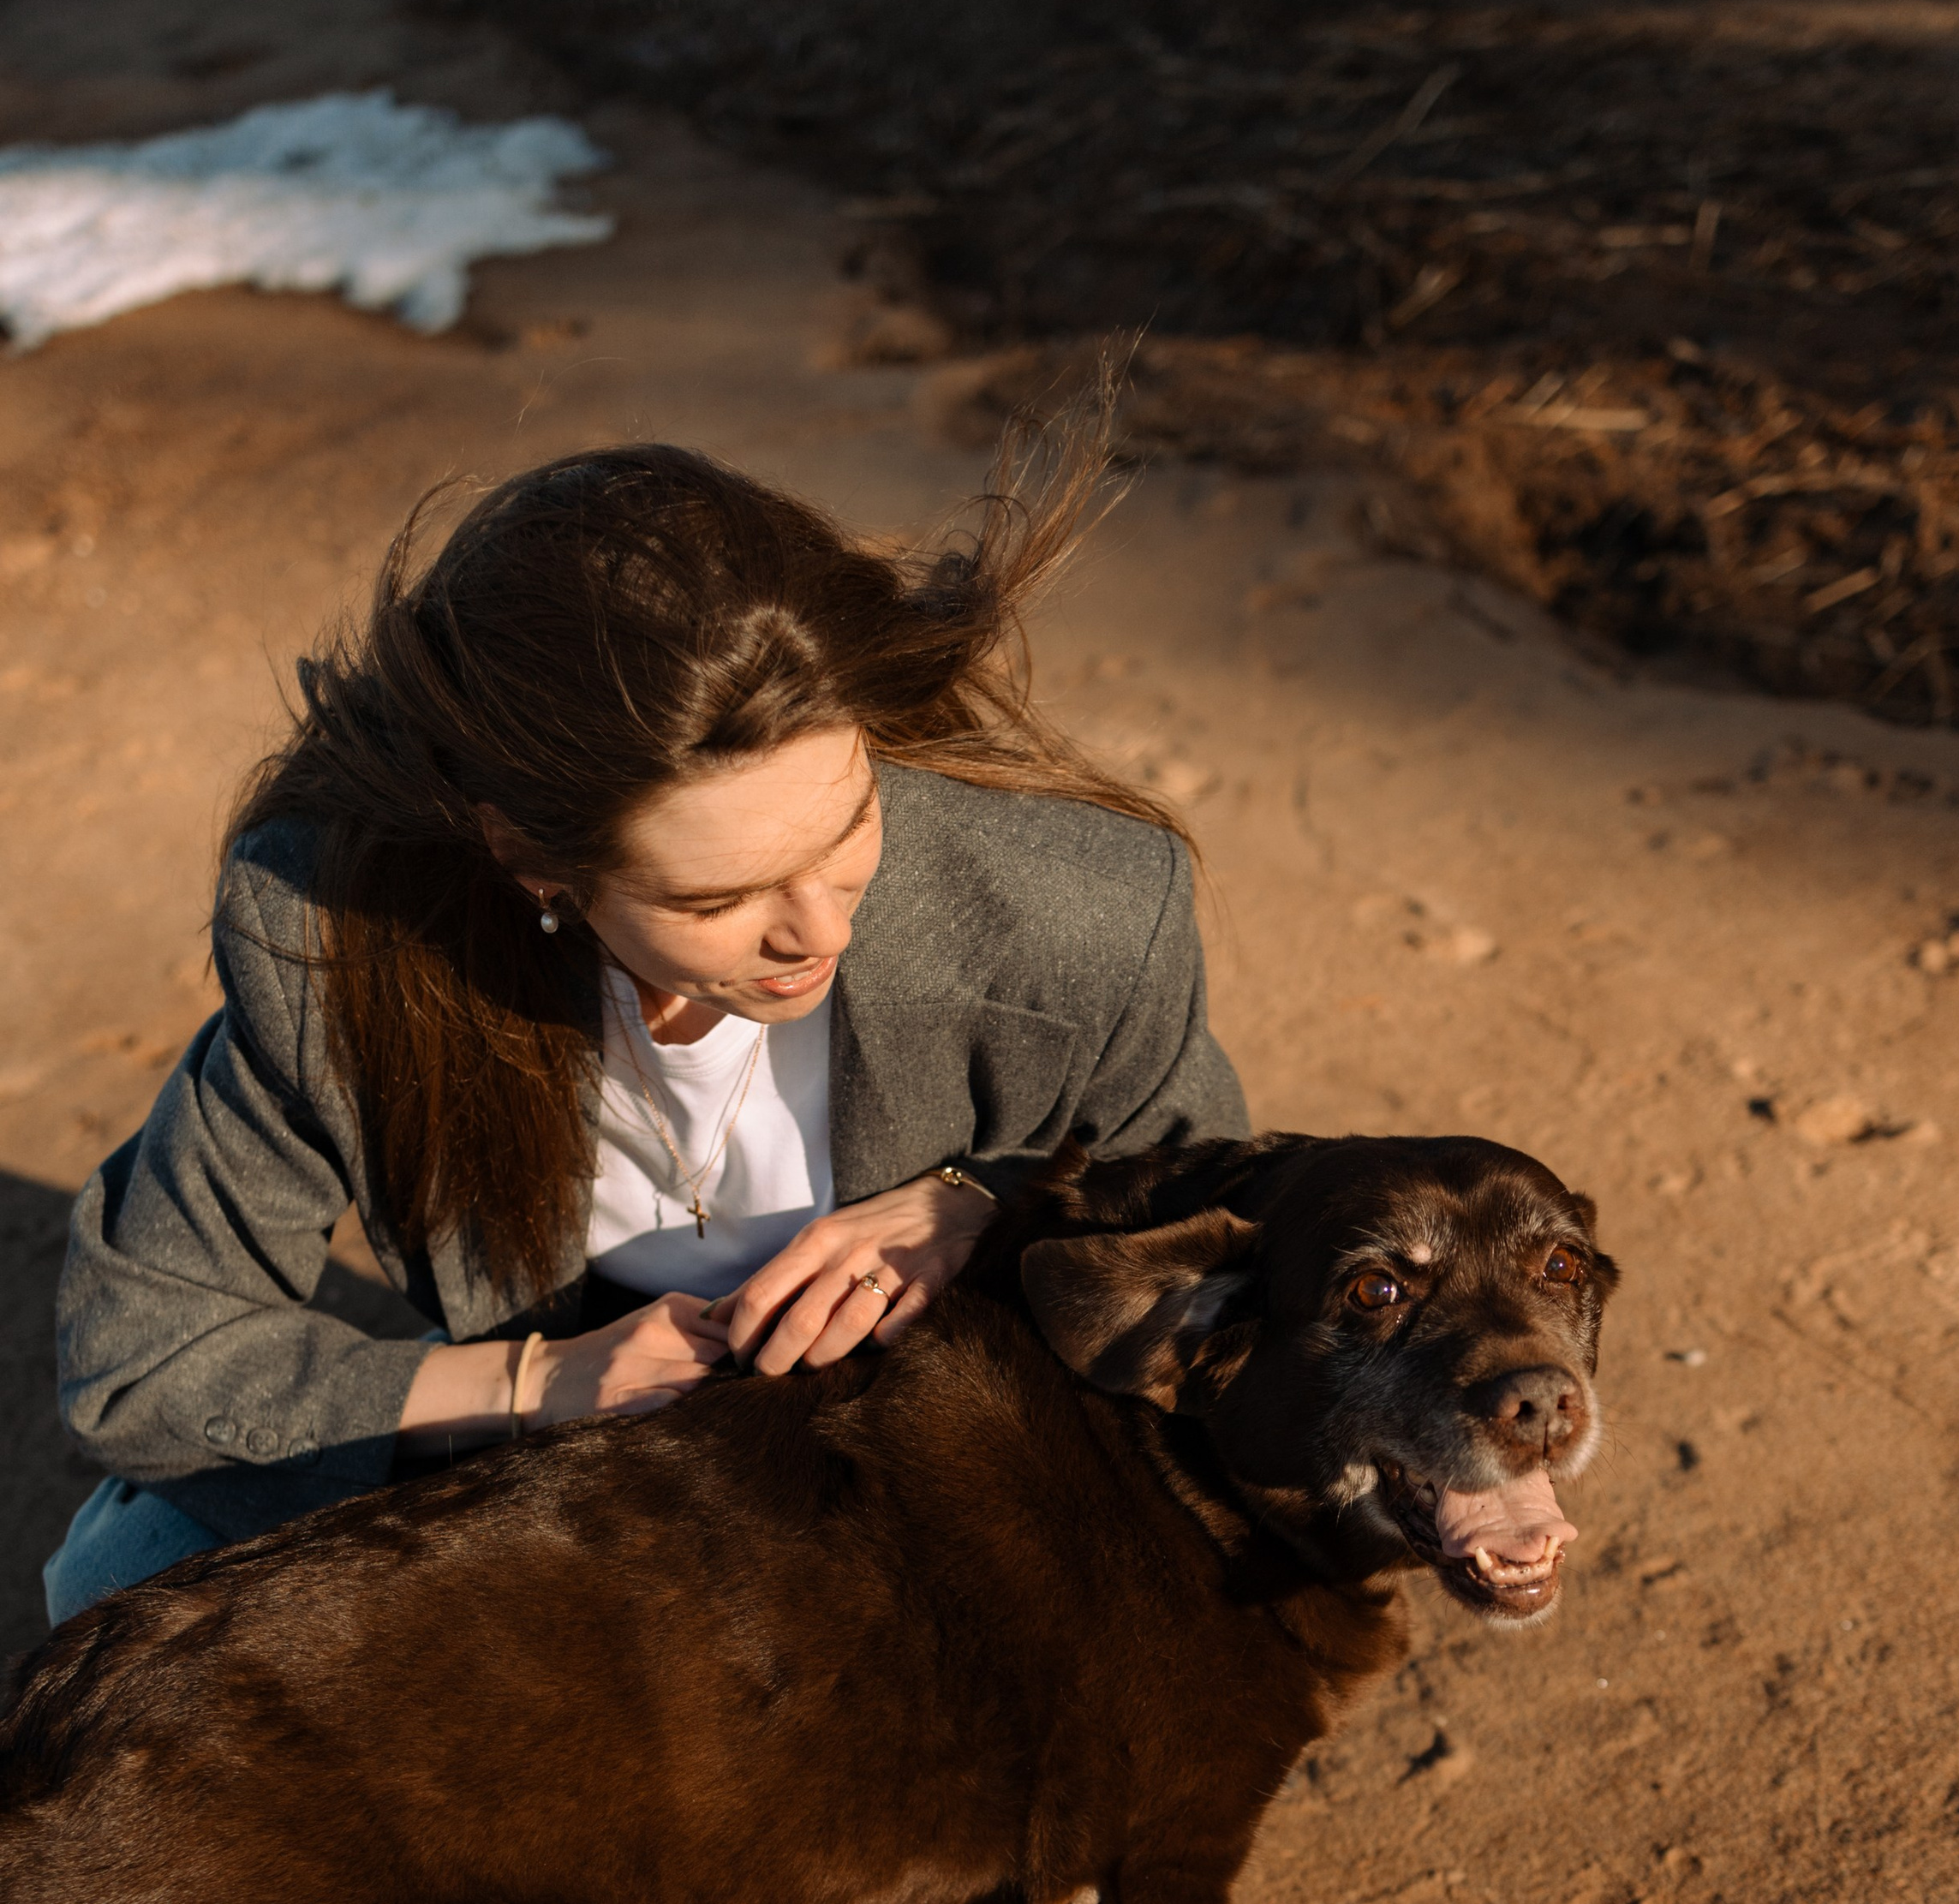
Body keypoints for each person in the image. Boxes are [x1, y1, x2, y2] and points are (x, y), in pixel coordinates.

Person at [45, 433, 1249, 1628]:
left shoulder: (1078, 908)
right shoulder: (342, 941)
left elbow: (1224, 1215)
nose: (814, 931)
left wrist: (987, 1203)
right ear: (531, 861)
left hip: (932, 1438)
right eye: (716, 900)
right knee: (115, 1584)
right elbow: (141, 1358)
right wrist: (535, 1384)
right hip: (569, 1457)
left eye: (848, 829)